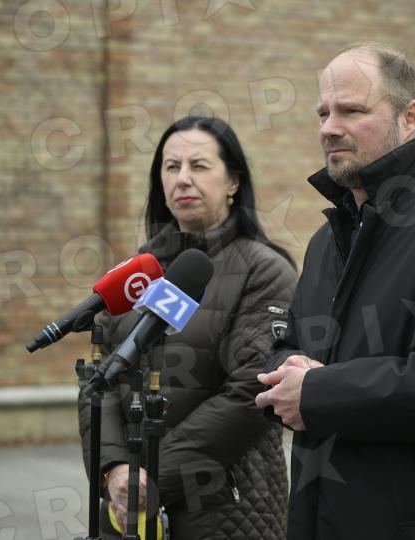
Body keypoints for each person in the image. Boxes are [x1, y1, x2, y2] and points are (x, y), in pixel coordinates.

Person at [254, 43, 415, 540]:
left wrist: (318, 392)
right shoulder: (325, 242)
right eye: (323, 113)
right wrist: (286, 372)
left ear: (409, 117)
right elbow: (290, 346)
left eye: (352, 111)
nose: (329, 127)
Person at [78, 116, 297, 539]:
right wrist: (115, 469)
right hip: (129, 509)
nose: (182, 179)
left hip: (225, 509)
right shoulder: (136, 274)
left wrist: (150, 474)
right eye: (171, 166)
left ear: (233, 181)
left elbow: (251, 390)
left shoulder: (265, 271)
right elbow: (98, 379)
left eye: (199, 165)